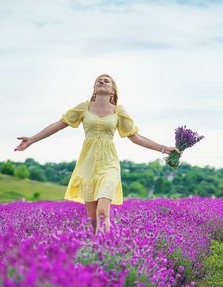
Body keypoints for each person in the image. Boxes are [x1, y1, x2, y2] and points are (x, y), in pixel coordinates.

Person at [14, 73, 181, 234]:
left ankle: (108, 248)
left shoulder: (118, 112)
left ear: (113, 91)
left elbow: (135, 137)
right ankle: (97, 253)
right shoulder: (83, 108)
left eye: (106, 80)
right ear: (94, 89)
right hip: (87, 166)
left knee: (103, 213)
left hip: (109, 165)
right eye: (98, 80)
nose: (102, 81)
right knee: (92, 220)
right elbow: (57, 125)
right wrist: (31, 140)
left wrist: (164, 148)